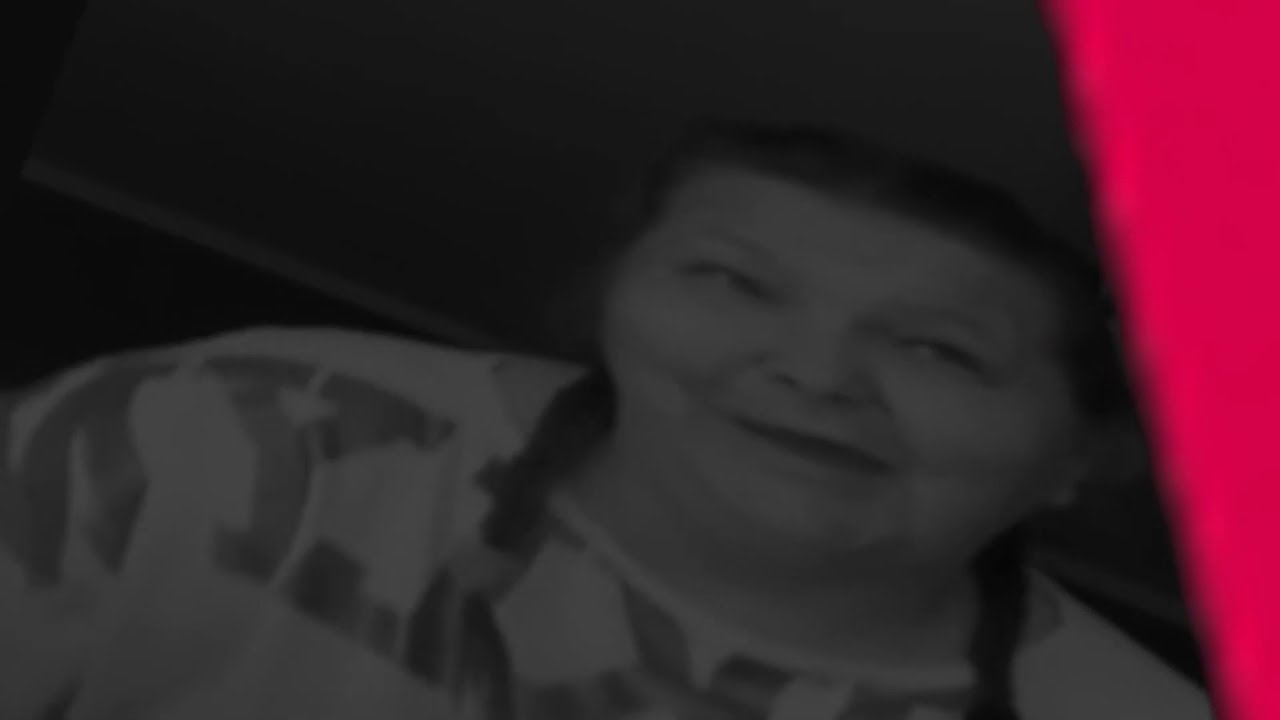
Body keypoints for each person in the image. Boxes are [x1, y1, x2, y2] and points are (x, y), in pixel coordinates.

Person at [0, 122, 1213, 720]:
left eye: (938, 349)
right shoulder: (231, 429)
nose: (813, 373)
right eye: (731, 281)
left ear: (1079, 459)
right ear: (608, 303)